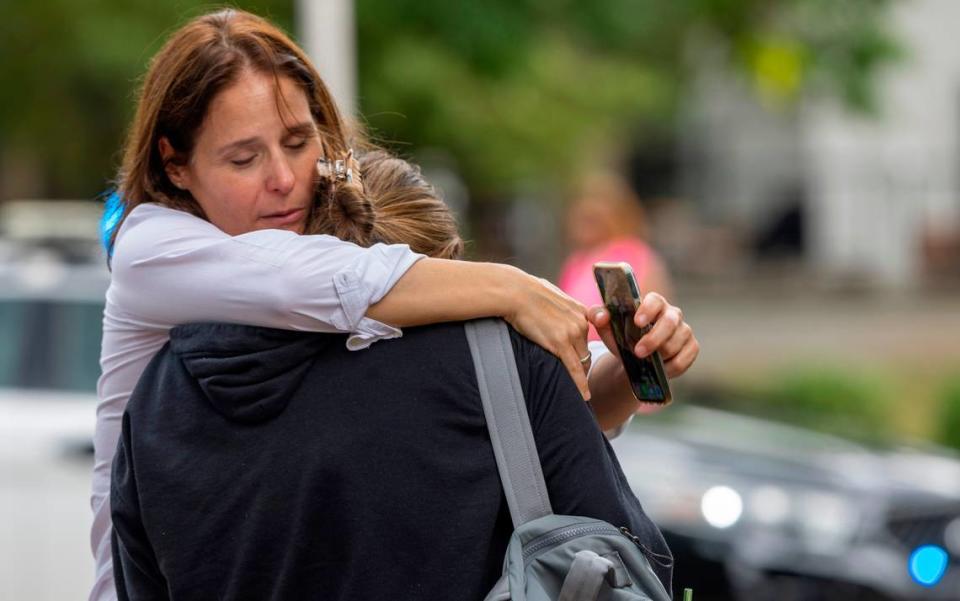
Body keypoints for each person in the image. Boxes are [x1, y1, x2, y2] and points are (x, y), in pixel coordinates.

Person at [91, 9, 698, 600]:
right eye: (243, 158)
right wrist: (510, 291)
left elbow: (522, 423)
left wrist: (624, 371)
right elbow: (331, 283)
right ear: (173, 164)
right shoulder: (150, 247)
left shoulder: (169, 397)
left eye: (300, 142)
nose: (282, 178)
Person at [559, 170, 674, 340]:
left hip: (618, 357)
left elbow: (655, 316)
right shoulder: (575, 262)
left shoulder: (636, 255)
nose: (587, 208)